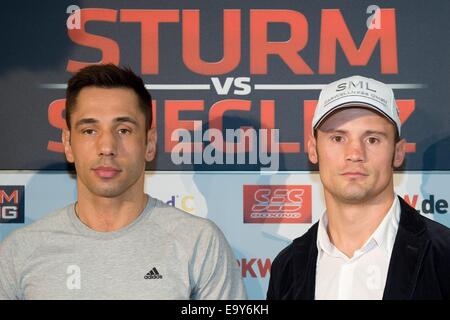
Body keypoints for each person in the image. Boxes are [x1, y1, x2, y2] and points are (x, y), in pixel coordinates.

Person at [0, 64, 247, 300]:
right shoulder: (19, 251)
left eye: (124, 130)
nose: (107, 147)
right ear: (67, 144)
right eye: (89, 130)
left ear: (149, 144)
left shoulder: (199, 243)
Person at [267, 75, 450, 300]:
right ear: (313, 150)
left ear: (398, 153)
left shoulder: (443, 257)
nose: (355, 154)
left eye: (372, 139)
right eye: (337, 138)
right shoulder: (286, 268)